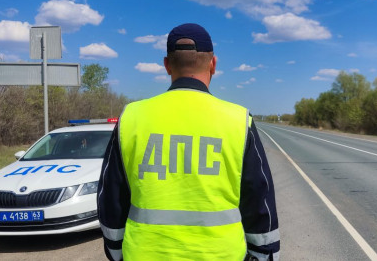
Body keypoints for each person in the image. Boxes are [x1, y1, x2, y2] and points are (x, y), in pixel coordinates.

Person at [97, 23, 279, 261]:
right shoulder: (239, 120)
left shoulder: (131, 117)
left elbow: (110, 198)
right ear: (213, 64)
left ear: (166, 65)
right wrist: (263, 255)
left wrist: (116, 252)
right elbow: (259, 200)